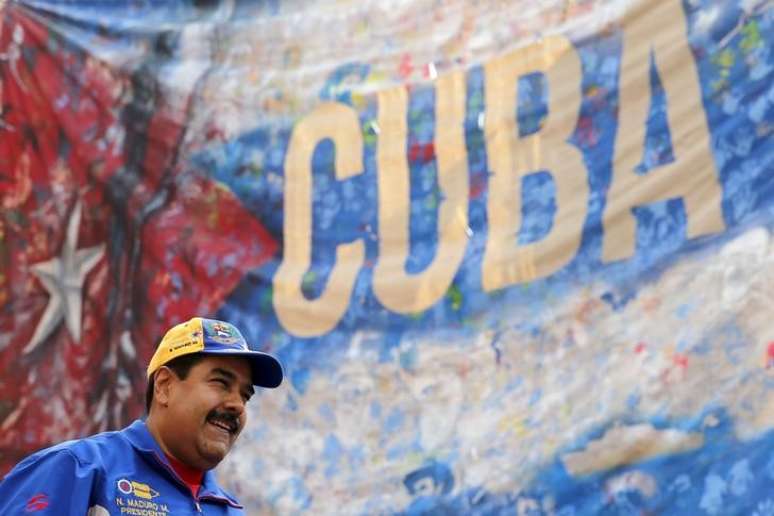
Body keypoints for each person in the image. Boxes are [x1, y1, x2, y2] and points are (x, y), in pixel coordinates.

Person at [0, 316, 283, 514]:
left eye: (245, 395)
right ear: (164, 386)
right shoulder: (79, 468)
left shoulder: (227, 509)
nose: (237, 405)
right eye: (221, 383)